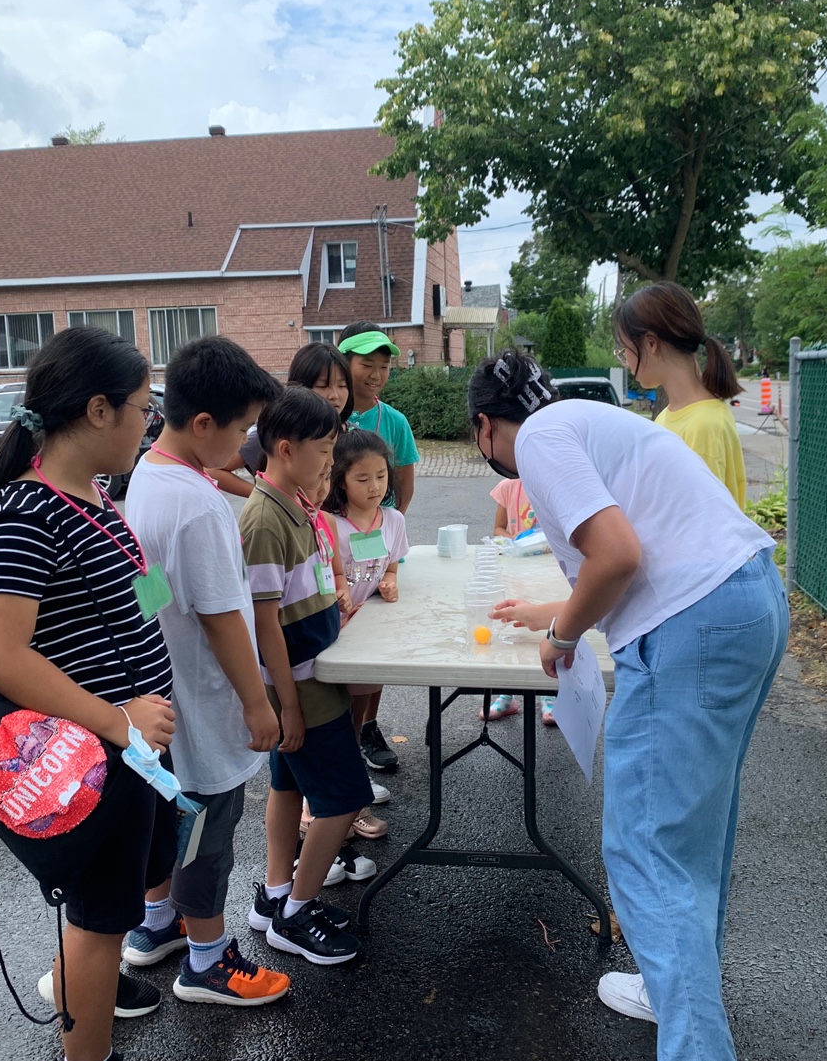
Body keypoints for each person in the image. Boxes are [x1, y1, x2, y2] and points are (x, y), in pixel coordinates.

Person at [474, 350, 787, 1061]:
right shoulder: (587, 420)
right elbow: (639, 547)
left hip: (691, 624)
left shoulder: (539, 438)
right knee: (695, 830)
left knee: (647, 847)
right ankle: (670, 990)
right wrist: (556, 613)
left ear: (485, 426)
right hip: (747, 600)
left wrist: (562, 635)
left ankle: (696, 1044)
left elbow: (617, 555)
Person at [0, 325, 177, 1061]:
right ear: (97, 410)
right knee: (100, 921)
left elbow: (138, 598)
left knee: (114, 910)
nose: (149, 423)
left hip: (135, 745)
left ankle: (80, 997)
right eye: (143, 408)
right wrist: (118, 719)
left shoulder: (94, 495)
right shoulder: (28, 514)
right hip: (95, 754)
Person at [123, 335, 294, 1007]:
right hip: (202, 698)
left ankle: (157, 921)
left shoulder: (150, 472)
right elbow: (223, 616)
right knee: (205, 831)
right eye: (243, 427)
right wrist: (257, 702)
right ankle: (207, 961)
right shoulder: (197, 504)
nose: (247, 443)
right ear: (202, 424)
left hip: (165, 690)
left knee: (171, 818)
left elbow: (153, 588)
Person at [241, 386, 374, 965]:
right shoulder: (264, 519)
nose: (330, 463)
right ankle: (297, 911)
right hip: (299, 684)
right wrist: (289, 704)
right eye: (324, 451)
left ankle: (276, 894)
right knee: (344, 797)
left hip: (309, 675)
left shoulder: (294, 506)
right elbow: (263, 623)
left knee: (287, 784)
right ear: (286, 448)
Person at [318, 429, 409, 839]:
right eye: (362, 478)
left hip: (368, 636)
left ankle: (351, 790)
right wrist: (336, 594)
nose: (374, 487)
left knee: (354, 717)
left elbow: (392, 564)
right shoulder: (330, 523)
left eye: (381, 476)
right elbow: (323, 576)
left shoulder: (393, 520)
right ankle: (338, 802)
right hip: (333, 635)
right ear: (340, 479)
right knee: (331, 722)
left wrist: (390, 581)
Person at [337, 321, 418, 772]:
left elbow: (404, 486)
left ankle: (368, 726)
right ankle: (340, 737)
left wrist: (385, 529)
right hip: (331, 548)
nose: (376, 374)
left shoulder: (395, 422)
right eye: (367, 364)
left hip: (375, 549)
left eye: (384, 366)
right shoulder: (322, 415)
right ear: (344, 363)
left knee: (377, 637)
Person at [615, 281, 748, 508]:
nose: (625, 361)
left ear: (650, 343)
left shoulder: (704, 426)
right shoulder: (667, 416)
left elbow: (703, 521)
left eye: (624, 349)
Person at [211, 344, 354, 500]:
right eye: (322, 386)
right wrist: (267, 495)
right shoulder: (278, 433)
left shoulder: (353, 434)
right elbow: (214, 470)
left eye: (342, 385)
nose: (334, 395)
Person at [487, 476, 547, 723]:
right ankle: (507, 692)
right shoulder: (508, 486)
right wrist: (517, 541)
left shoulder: (554, 483)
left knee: (545, 630)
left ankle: (548, 692)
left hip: (548, 569)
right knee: (512, 630)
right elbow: (498, 529)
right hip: (516, 568)